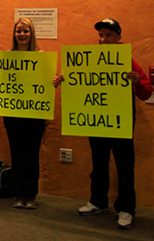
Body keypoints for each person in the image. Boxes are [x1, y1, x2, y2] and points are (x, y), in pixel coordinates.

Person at [54, 18, 152, 229]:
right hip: (96, 120)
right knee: (99, 164)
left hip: (120, 122)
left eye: (108, 35)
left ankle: (126, 209)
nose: (103, 39)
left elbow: (146, 92)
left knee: (125, 166)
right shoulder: (88, 59)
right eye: (101, 35)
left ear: (118, 38)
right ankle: (98, 201)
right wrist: (66, 79)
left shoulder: (128, 61)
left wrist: (137, 82)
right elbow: (79, 84)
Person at [4, 18, 45, 209]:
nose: (22, 35)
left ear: (32, 33)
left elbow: (44, 84)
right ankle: (19, 193)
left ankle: (31, 195)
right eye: (18, 31)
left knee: (32, 155)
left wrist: (54, 81)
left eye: (26, 31)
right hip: (12, 115)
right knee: (17, 153)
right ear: (14, 34)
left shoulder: (41, 57)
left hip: (34, 116)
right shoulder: (6, 57)